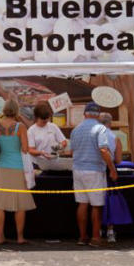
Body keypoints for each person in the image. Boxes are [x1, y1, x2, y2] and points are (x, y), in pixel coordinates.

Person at [0, 99, 35, 244]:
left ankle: (0, 236)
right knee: (20, 205)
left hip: (1, 167)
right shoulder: (21, 127)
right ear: (17, 111)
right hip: (17, 167)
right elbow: (25, 149)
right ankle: (20, 237)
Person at [70, 102, 118, 247]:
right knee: (97, 205)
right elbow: (103, 150)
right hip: (94, 170)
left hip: (78, 169)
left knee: (82, 203)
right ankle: (96, 237)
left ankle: (82, 237)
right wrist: (112, 169)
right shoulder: (100, 128)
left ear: (85, 114)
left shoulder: (76, 130)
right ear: (97, 115)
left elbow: (72, 152)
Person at [99, 112, 123, 243]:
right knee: (110, 200)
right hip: (110, 170)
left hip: (96, 168)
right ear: (110, 123)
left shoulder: (94, 135)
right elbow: (118, 160)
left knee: (95, 200)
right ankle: (110, 231)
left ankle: (96, 230)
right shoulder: (115, 138)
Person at [27, 102, 69, 171]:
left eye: (47, 120)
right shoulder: (31, 130)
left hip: (54, 163)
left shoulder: (53, 126)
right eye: (43, 121)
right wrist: (41, 153)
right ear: (37, 117)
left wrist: (58, 147)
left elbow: (64, 142)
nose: (45, 122)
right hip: (38, 165)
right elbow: (31, 150)